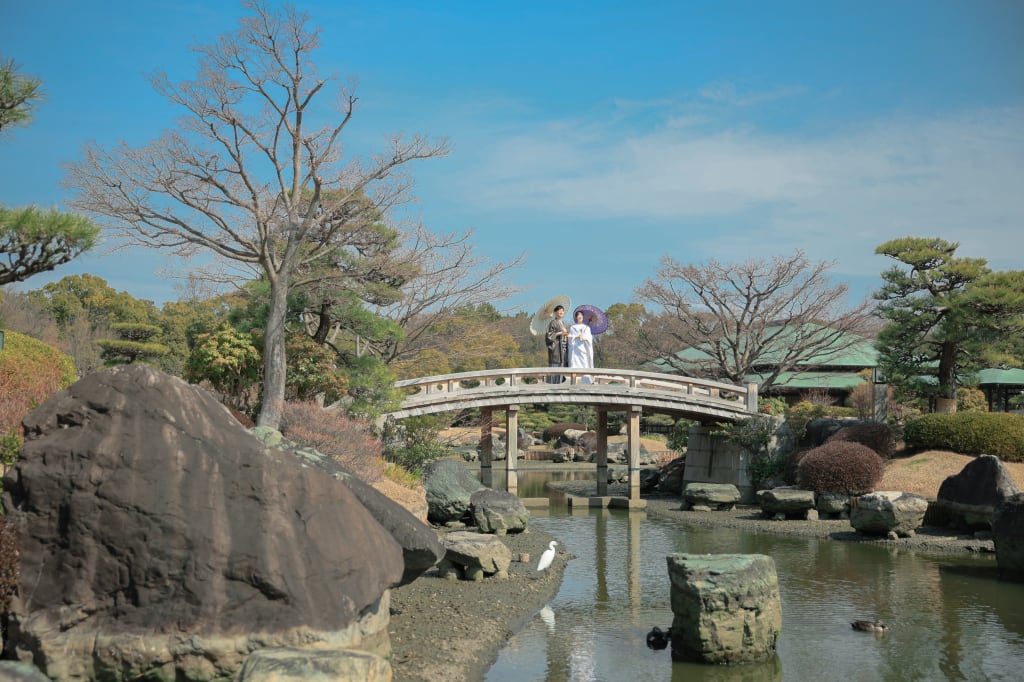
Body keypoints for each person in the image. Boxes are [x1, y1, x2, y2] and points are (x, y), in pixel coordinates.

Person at [568, 309, 594, 384]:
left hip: (584, 350)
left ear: (583, 317)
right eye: (578, 315)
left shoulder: (587, 328)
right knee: (575, 365)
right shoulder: (572, 327)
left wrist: (584, 337)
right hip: (576, 351)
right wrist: (576, 336)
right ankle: (574, 382)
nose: (579, 316)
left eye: (581, 315)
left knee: (585, 364)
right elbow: (570, 338)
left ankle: (586, 382)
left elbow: (590, 338)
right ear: (576, 317)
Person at [545, 305, 569, 383]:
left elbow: (565, 335)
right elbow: (549, 336)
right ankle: (553, 387)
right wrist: (559, 333)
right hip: (556, 349)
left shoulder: (563, 323)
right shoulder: (553, 322)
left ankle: (560, 386)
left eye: (562, 310)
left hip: (563, 348)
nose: (561, 311)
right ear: (555, 312)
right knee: (555, 368)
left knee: (562, 368)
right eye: (559, 310)